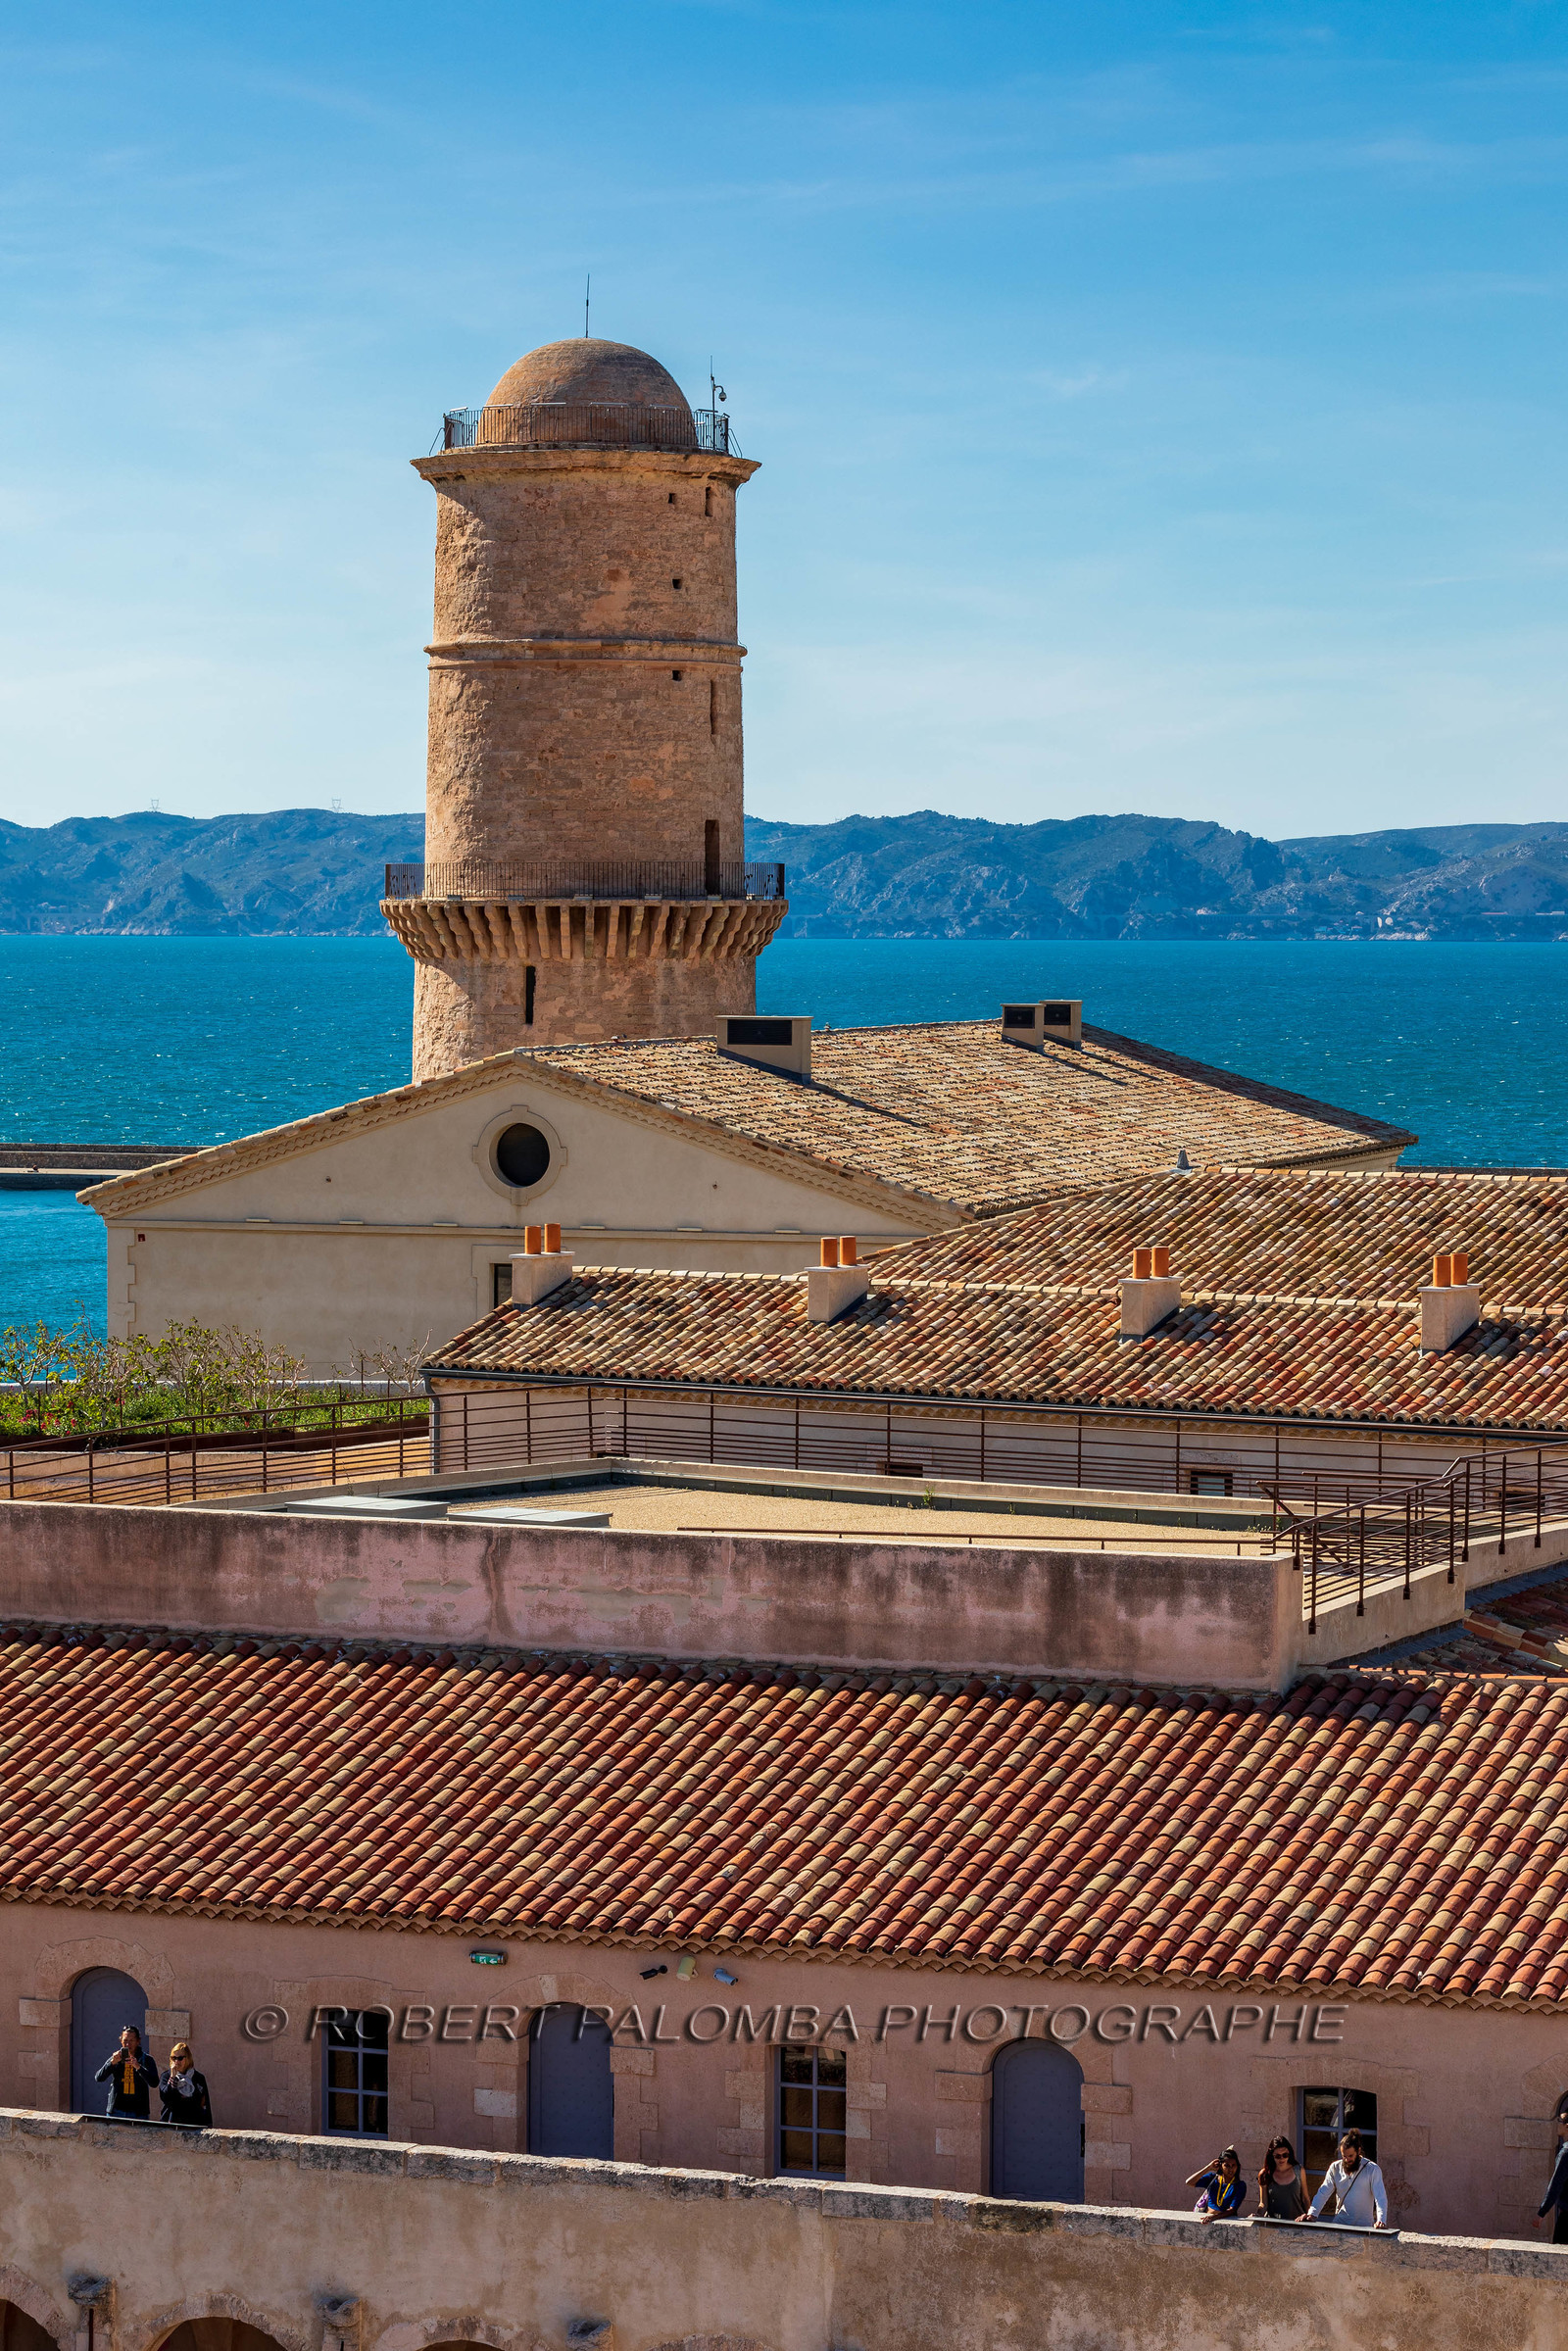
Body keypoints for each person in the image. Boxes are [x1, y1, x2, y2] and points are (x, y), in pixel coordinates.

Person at [1299, 2128, 1391, 2229]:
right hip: (1340, 2224)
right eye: (1344, 2156)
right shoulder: (1335, 2168)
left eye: (1350, 2156)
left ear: (1358, 2151)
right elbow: (1323, 2193)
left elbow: (1380, 2197)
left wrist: (1381, 2220)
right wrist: (1312, 2214)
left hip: (1363, 2226)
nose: (1347, 2160)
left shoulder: (1372, 2169)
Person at [93, 2024, 157, 2119]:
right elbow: (99, 2078)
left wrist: (138, 2067)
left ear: (138, 2041)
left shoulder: (146, 2059)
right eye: (125, 2041)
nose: (128, 2044)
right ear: (121, 2041)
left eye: (131, 2041)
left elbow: (154, 2083)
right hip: (116, 2112)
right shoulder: (116, 2057)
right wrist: (112, 2063)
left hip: (138, 2113)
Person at [1533, 2097, 1568, 2240]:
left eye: (1560, 2120)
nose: (1557, 2124)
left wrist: (1541, 2212)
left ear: (1567, 2126)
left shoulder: (1566, 2153)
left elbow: (1555, 2185)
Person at [159, 2040, 213, 2128]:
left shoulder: (198, 2078)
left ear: (188, 2058)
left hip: (194, 2124)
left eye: (180, 2058)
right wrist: (172, 2078)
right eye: (174, 2058)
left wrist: (208, 2124)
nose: (177, 2061)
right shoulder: (166, 2076)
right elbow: (165, 2097)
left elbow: (204, 2103)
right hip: (172, 2124)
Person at [1186, 2146, 1247, 2222]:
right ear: (1220, 2166)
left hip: (1224, 2222)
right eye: (1227, 2165)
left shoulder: (1239, 2185)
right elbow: (1189, 2182)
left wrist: (1213, 2217)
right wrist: (1208, 2168)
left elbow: (1232, 2210)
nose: (1231, 2169)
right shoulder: (1212, 2178)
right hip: (1206, 2219)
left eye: (1233, 2165)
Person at [1258, 2135, 1309, 2220]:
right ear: (1272, 2155)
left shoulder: (1299, 2171)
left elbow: (1305, 2198)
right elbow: (1263, 2203)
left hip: (1296, 2222)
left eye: (1285, 2155)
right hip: (1273, 2223)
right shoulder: (1265, 2174)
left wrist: (1309, 2216)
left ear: (1289, 2154)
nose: (1282, 2159)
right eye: (1278, 2156)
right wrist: (1257, 2215)